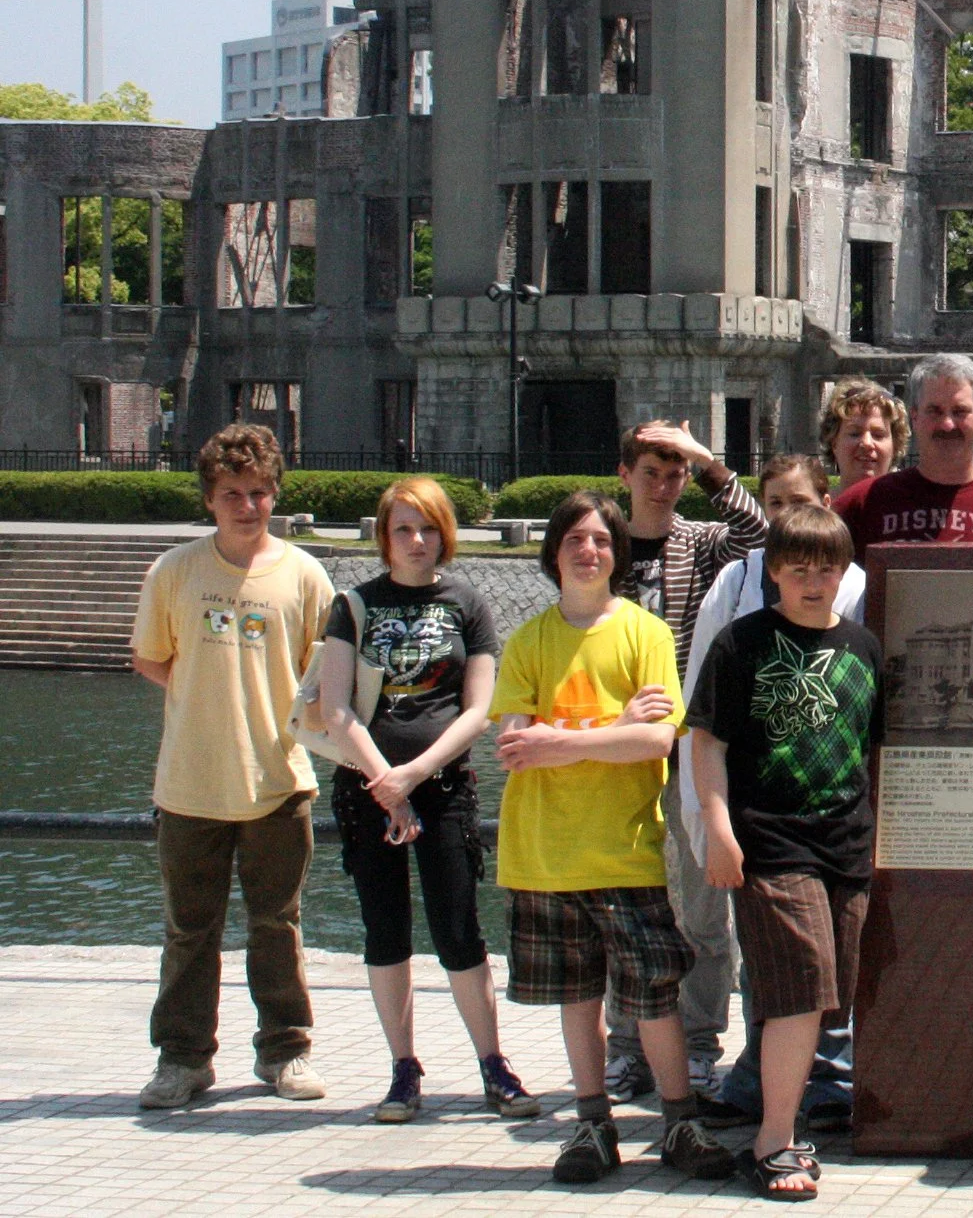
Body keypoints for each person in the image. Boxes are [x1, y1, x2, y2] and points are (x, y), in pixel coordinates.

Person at [490, 491, 734, 1184]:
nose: (588, 550)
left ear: (617, 553)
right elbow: (513, 746)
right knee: (578, 997)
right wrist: (607, 729)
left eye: (601, 539)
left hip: (627, 849)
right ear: (554, 551)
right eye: (574, 539)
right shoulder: (529, 640)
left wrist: (558, 738)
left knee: (654, 994)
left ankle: (678, 1119)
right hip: (544, 852)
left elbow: (658, 738)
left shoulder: (645, 634)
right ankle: (592, 1122)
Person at [317, 475, 538, 1123]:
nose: (417, 541)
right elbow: (334, 709)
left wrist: (412, 777)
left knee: (459, 930)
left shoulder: (466, 603)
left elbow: (478, 711)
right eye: (404, 529)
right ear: (384, 536)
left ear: (446, 533)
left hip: (442, 791)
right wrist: (385, 783)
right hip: (366, 792)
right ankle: (403, 1067)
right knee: (385, 931)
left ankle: (493, 1064)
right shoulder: (352, 605)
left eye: (429, 528)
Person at [131, 423, 337, 1110]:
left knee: (278, 926)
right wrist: (209, 697)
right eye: (231, 495)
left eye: (258, 493)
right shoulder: (175, 571)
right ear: (210, 500)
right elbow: (151, 658)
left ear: (275, 494)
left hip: (278, 780)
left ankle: (286, 1051)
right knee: (190, 932)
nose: (247, 507)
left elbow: (324, 672)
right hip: (191, 781)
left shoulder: (305, 574)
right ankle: (183, 1060)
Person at [690, 502, 883, 1202]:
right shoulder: (741, 644)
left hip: (847, 845)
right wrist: (717, 827)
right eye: (797, 569)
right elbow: (705, 743)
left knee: (828, 999)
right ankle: (774, 1138)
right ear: (772, 573)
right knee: (801, 985)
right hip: (770, 840)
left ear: (844, 574)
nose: (812, 582)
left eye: (825, 569)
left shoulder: (864, 647)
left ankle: (785, 1119)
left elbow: (875, 750)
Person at [604, 420, 769, 1105]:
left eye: (675, 475)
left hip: (689, 736)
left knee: (704, 902)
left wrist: (708, 462)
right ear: (625, 473)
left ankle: (698, 1043)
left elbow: (760, 536)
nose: (666, 486)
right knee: (627, 899)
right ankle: (626, 1046)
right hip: (615, 742)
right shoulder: (600, 542)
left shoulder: (699, 544)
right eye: (653, 472)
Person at [833, 353, 973, 551]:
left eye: (959, 411)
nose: (947, 424)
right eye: (934, 411)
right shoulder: (861, 505)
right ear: (914, 417)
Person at [817, 378, 908, 486]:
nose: (867, 443)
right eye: (855, 434)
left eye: (878, 435)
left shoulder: (912, 503)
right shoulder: (815, 503)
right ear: (834, 442)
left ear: (895, 446)